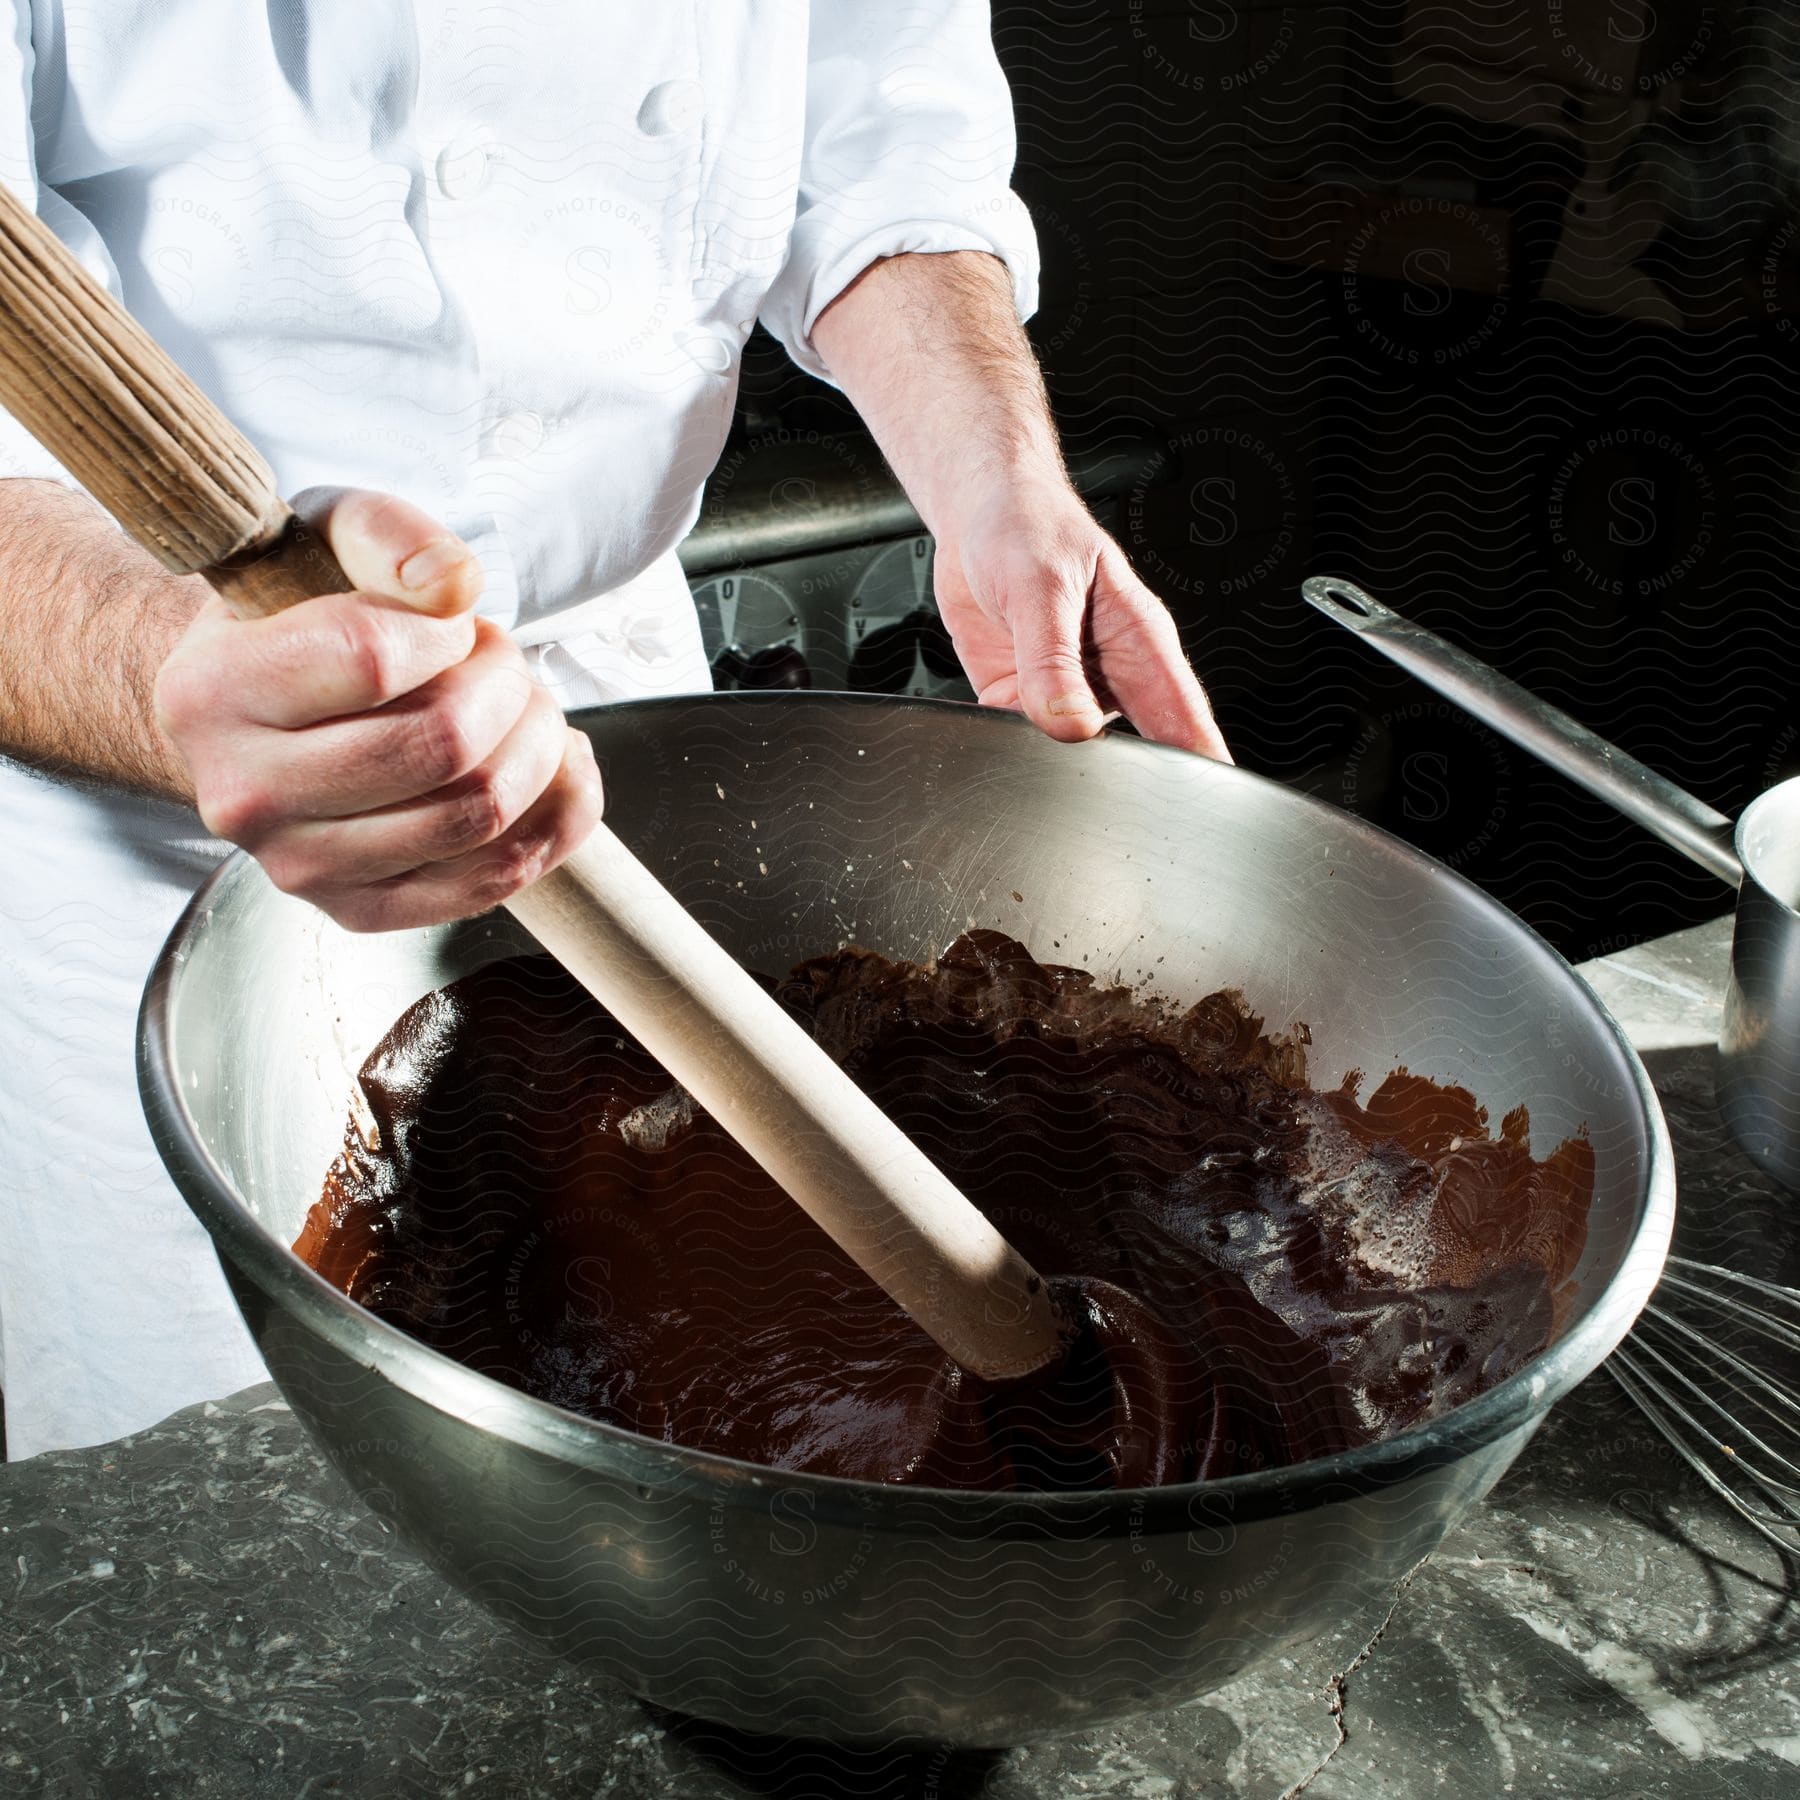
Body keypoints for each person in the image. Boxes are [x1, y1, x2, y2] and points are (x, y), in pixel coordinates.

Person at [0, 3, 1228, 1461]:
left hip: (617, 700)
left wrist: (995, 466)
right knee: (227, 1521)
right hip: (156, 768)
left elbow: (876, 106)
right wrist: (173, 666)